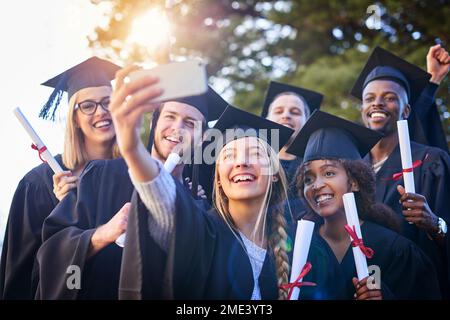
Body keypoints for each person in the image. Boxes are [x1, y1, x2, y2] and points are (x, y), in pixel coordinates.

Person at [36, 65, 228, 299]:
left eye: (190, 123)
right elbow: (53, 252)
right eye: (170, 117)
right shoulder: (101, 175)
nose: (177, 129)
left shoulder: (200, 207)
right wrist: (104, 233)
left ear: (203, 139)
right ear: (155, 123)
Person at [111, 69, 296, 298]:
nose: (242, 163)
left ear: (275, 172)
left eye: (255, 153)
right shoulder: (201, 230)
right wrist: (133, 151)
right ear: (218, 178)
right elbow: (166, 199)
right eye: (229, 156)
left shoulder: (294, 243)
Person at [0, 57, 120, 299]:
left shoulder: (134, 175)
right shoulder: (38, 183)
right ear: (73, 117)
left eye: (108, 102)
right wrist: (62, 209)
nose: (101, 112)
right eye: (88, 105)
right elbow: (19, 274)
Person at [287, 110, 441, 300]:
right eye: (308, 179)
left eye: (329, 173)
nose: (316, 185)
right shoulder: (295, 247)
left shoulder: (393, 249)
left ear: (354, 182)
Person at [350, 46, 450, 297]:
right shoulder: (352, 169)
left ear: (406, 111)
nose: (377, 103)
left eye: (389, 97)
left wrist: (434, 224)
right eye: (369, 98)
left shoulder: (431, 162)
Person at [261, 81, 323, 221]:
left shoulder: (315, 166)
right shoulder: (254, 164)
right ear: (267, 119)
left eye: (295, 112)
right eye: (278, 111)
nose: (286, 115)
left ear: (307, 122)